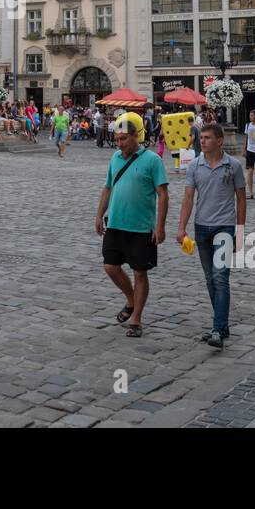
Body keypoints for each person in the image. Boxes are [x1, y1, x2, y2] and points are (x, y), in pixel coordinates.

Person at [94, 112, 168, 339]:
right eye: (117, 139)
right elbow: (108, 188)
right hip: (116, 223)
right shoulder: (115, 158)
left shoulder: (153, 161)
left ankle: (136, 317)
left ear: (137, 136)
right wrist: (99, 215)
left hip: (141, 227)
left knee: (140, 273)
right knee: (110, 267)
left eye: (123, 138)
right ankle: (130, 298)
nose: (119, 143)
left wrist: (160, 226)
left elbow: (163, 195)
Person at [176, 121, 247, 350]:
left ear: (219, 141)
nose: (202, 141)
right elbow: (188, 198)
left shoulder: (233, 166)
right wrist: (181, 227)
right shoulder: (195, 165)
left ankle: (217, 329)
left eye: (207, 138)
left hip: (224, 227)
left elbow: (241, 199)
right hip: (201, 227)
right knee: (209, 278)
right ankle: (222, 324)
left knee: (220, 277)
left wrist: (240, 230)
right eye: (202, 137)